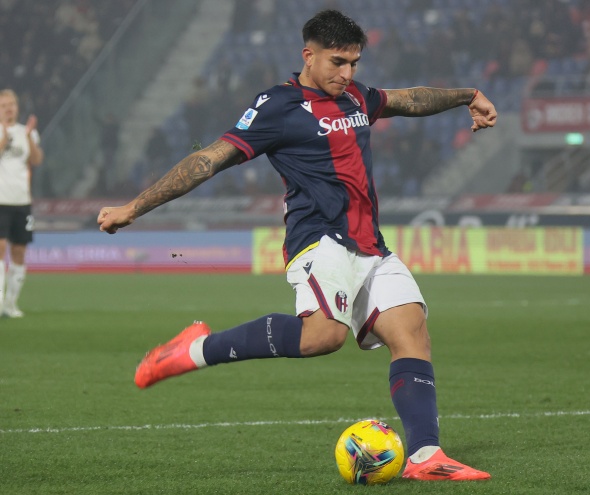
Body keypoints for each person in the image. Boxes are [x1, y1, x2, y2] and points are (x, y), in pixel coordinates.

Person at [98, 10, 496, 481]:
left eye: (353, 63)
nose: (346, 73)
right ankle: (195, 349)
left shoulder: (355, 97)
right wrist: (134, 207)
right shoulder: (277, 106)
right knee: (323, 337)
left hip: (369, 244)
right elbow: (208, 160)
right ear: (308, 55)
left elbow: (407, 99)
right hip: (319, 240)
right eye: (337, 62)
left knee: (411, 332)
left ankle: (426, 456)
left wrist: (467, 95)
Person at [0, 89, 44, 318]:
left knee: (19, 251)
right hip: (0, 200)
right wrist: (4, 136)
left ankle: (10, 304)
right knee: (0, 248)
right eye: (4, 105)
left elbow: (36, 160)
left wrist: (28, 136)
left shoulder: (26, 132)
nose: (9, 109)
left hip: (21, 201)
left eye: (12, 104)